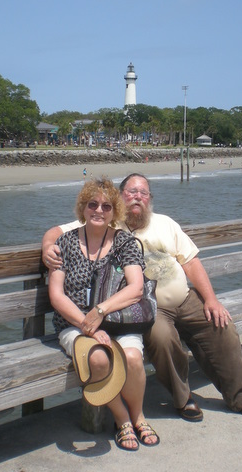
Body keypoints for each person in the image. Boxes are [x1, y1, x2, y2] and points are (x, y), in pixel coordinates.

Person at [43, 173, 242, 422]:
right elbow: (58, 233)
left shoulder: (165, 224)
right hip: (148, 307)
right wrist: (47, 248)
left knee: (221, 326)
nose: (137, 197)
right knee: (162, 338)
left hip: (184, 299)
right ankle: (183, 399)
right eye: (131, 192)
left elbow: (191, 263)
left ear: (149, 199)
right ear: (120, 196)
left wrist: (211, 299)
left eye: (143, 193)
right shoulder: (106, 221)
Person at [48, 177, 160, 451]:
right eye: (93, 204)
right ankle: (122, 419)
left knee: (133, 358)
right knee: (98, 360)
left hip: (117, 320)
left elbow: (135, 288)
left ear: (115, 211)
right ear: (83, 208)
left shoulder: (125, 242)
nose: (99, 210)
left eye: (106, 206)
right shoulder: (66, 243)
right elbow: (57, 295)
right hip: (74, 323)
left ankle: (139, 416)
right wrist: (86, 324)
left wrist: (100, 311)